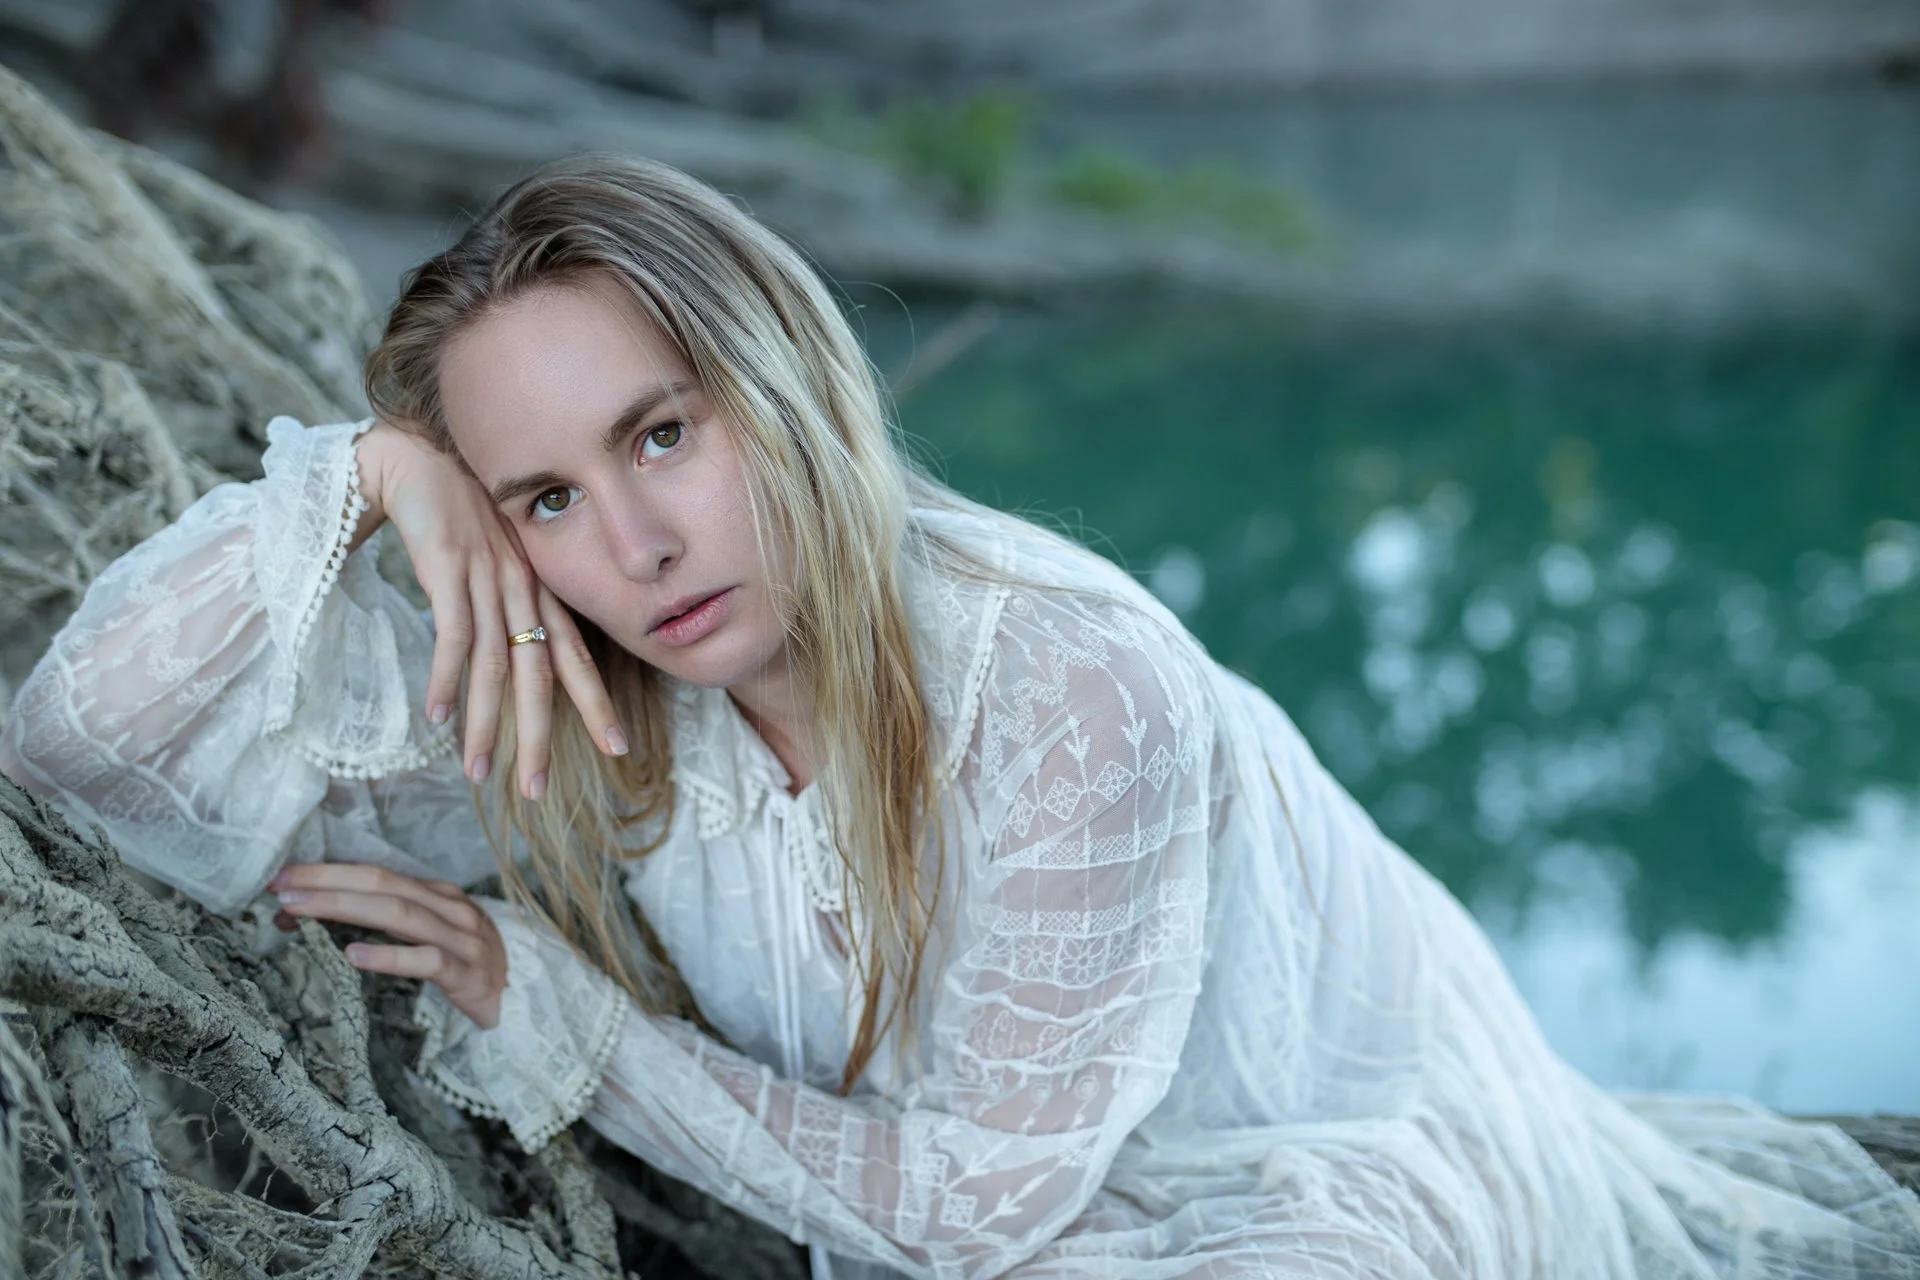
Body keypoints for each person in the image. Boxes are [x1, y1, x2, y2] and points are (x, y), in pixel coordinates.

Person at [2, 153, 1916, 1280]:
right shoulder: (579, 665)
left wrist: (563, 1012)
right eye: (549, 493)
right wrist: (366, 475)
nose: (643, 543)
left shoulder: (1065, 682)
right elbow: (75, 780)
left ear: (783, 383)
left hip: (1278, 1161)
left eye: (665, 432)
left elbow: (986, 1206)